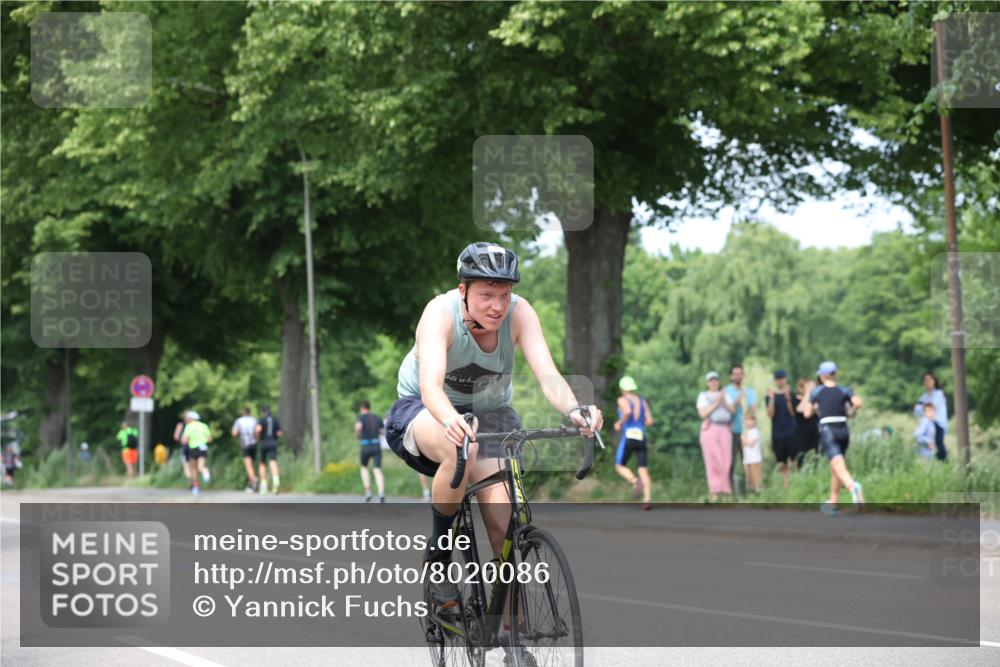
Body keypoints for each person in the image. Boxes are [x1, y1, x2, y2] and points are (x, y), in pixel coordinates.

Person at [383, 242, 602, 620]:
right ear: (463, 289)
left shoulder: (520, 315)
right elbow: (431, 387)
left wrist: (575, 408)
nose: (497, 305)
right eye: (486, 294)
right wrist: (452, 419)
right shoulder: (440, 314)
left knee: (505, 525)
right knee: (460, 451)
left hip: (492, 414)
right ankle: (438, 555)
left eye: (504, 294)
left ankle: (515, 636)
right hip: (425, 408)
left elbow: (548, 376)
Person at [802, 361, 864, 515]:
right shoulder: (843, 390)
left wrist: (816, 408)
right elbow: (858, 402)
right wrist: (850, 413)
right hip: (843, 429)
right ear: (835, 374)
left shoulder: (817, 392)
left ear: (822, 376)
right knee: (836, 466)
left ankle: (852, 486)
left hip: (828, 430)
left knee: (838, 465)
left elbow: (806, 413)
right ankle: (833, 501)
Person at [612, 375, 654, 510]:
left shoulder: (622, 400)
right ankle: (647, 499)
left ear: (622, 389)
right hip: (641, 437)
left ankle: (635, 482)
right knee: (643, 469)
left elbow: (627, 411)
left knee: (619, 466)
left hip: (629, 436)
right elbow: (649, 421)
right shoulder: (642, 401)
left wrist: (620, 423)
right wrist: (639, 423)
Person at [696, 371, 735, 501]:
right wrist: (717, 402)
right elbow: (703, 414)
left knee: (726, 459)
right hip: (710, 428)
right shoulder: (703, 396)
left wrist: (722, 399)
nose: (713, 383)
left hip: (725, 428)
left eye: (715, 380)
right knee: (713, 460)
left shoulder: (725, 395)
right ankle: (714, 490)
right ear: (708, 383)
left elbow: (732, 410)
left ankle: (725, 488)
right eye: (711, 381)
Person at [725, 364, 757, 495]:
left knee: (750, 460)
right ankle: (730, 490)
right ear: (731, 376)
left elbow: (753, 410)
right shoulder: (726, 391)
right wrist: (738, 399)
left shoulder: (749, 391)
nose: (738, 376)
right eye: (735, 374)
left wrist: (749, 409)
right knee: (731, 461)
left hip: (747, 431)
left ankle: (751, 489)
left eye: (740, 373)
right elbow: (730, 410)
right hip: (732, 431)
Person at [766, 370, 798, 488]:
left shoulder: (791, 394)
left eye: (782, 378)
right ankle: (786, 485)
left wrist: (788, 399)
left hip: (791, 431)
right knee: (782, 462)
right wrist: (772, 399)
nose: (780, 381)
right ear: (775, 381)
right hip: (777, 433)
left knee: (793, 460)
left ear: (786, 379)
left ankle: (795, 482)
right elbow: (770, 415)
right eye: (778, 379)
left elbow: (793, 413)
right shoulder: (770, 396)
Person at [355, 400, 386, 502]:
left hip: (366, 445)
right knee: (377, 469)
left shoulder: (361, 417)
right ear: (369, 407)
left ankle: (368, 491)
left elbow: (359, 427)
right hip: (376, 445)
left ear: (362, 408)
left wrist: (358, 435)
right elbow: (382, 431)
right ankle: (381, 493)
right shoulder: (376, 417)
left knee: (364, 467)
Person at [913, 372, 948, 461]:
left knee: (938, 446)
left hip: (937, 423)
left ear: (934, 381)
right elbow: (917, 409)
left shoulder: (938, 394)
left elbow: (931, 406)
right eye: (925, 380)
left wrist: (924, 409)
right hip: (927, 422)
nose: (927, 382)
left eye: (929, 379)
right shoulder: (924, 396)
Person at [180, 410, 212, 496]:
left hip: (193, 448)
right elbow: (209, 439)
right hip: (203, 447)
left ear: (191, 418)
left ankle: (196, 486)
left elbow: (185, 440)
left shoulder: (189, 426)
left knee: (193, 468)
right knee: (201, 467)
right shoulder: (204, 426)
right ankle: (205, 472)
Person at [232, 407, 260, 493]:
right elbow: (257, 431)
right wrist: (257, 439)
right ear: (249, 412)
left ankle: (253, 478)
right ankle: (251, 486)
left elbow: (234, 433)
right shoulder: (254, 420)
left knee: (248, 465)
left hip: (245, 444)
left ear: (243, 413)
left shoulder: (239, 421)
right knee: (252, 464)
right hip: (254, 444)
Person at [255, 405, 282, 495]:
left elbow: (258, 430)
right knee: (273, 461)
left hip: (264, 443)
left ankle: (264, 485)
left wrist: (258, 438)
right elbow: (279, 433)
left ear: (263, 412)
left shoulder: (261, 420)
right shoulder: (275, 420)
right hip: (273, 443)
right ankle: (276, 480)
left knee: (262, 463)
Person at [793, 378, 820, 466]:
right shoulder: (796, 398)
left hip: (814, 432)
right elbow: (800, 409)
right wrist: (808, 393)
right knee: (801, 457)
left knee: (815, 456)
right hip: (801, 433)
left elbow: (818, 411)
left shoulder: (815, 399)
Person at [741, 414, 763, 493]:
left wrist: (743, 438)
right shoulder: (746, 432)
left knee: (757, 477)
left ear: (754, 422)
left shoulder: (755, 431)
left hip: (755, 459)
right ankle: (752, 492)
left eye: (751, 420)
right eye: (747, 420)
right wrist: (744, 438)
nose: (749, 423)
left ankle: (759, 491)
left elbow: (751, 443)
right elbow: (743, 445)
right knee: (750, 478)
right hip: (747, 459)